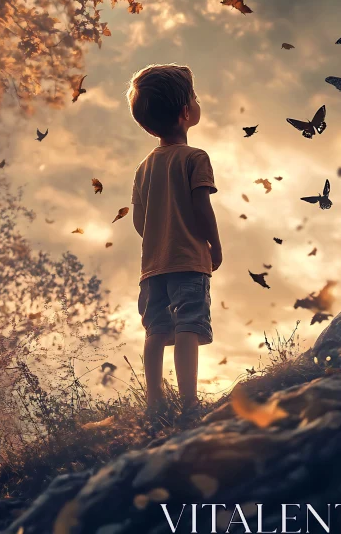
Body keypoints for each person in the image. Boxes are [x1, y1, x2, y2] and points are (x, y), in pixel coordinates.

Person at [127, 63, 222, 417]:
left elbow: (139, 220)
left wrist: (158, 238)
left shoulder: (143, 167)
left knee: (155, 330)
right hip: (187, 260)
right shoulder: (195, 158)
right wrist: (214, 245)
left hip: (152, 267)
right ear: (186, 113)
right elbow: (202, 208)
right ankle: (188, 403)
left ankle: (154, 402)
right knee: (189, 325)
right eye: (194, 97)